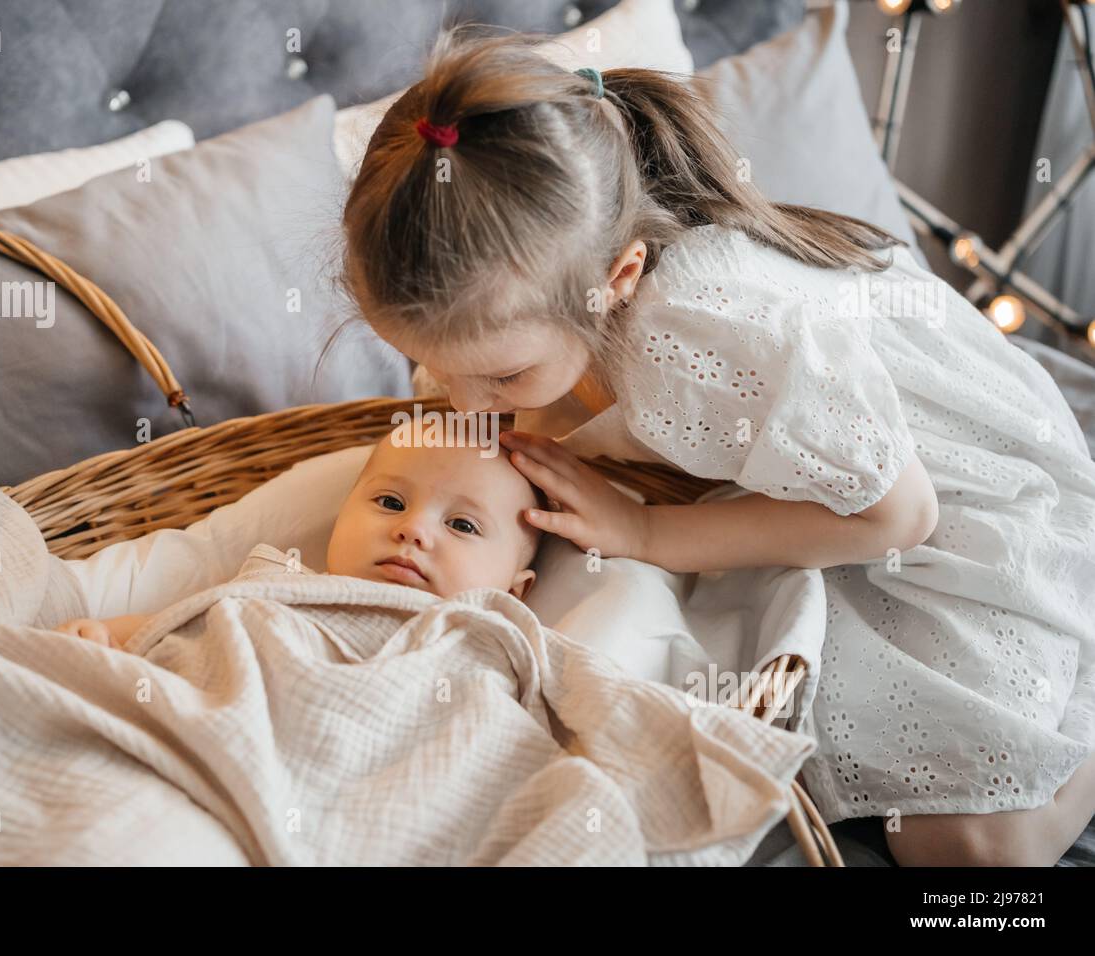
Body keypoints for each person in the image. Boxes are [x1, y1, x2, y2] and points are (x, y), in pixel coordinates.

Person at [337, 28, 1095, 866]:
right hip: (844, 480)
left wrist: (647, 534)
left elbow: (901, 511)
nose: (465, 403)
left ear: (617, 279)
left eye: (503, 376)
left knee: (971, 851)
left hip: (956, 495)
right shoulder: (536, 308)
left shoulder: (688, 332)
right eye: (439, 367)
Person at [56, 432, 544, 649]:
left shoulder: (491, 642)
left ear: (514, 592)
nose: (413, 529)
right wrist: (109, 636)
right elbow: (188, 623)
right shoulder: (281, 581)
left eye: (462, 526)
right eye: (391, 503)